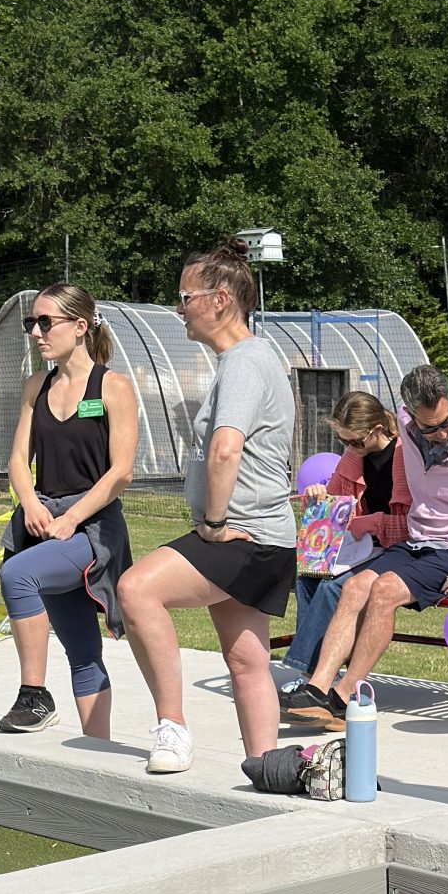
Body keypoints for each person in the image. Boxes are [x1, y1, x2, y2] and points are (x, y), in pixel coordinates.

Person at [116, 240, 296, 774]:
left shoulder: (245, 362)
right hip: (264, 535)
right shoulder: (247, 359)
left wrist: (214, 523)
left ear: (220, 300)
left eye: (185, 297)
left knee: (136, 589)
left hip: (242, 534)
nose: (179, 309)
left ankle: (172, 728)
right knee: (246, 661)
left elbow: (224, 448)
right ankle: (266, 766)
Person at [296, 364, 448, 715]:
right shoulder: (404, 426)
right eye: (429, 427)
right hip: (421, 541)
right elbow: (360, 444)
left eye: (446, 422)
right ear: (409, 414)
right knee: (353, 587)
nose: (440, 433)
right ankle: (316, 689)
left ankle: (343, 696)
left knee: (384, 590)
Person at [0, 286, 136, 737]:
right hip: (46, 523)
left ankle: (33, 695)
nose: (36, 332)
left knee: (18, 575)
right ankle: (98, 752)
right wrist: (31, 503)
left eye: (45, 322)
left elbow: (121, 473)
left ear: (79, 327)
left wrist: (71, 518)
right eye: (31, 323)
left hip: (91, 528)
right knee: (83, 652)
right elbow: (18, 461)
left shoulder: (113, 387)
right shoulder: (36, 387)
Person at [277, 390, 402, 728]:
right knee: (308, 574)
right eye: (343, 441)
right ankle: (317, 676)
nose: (350, 447)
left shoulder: (403, 457)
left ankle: (310, 679)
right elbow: (334, 507)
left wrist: (369, 524)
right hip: (360, 547)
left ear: (378, 429)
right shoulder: (352, 457)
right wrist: (319, 497)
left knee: (335, 587)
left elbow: (411, 523)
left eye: (356, 441)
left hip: (397, 548)